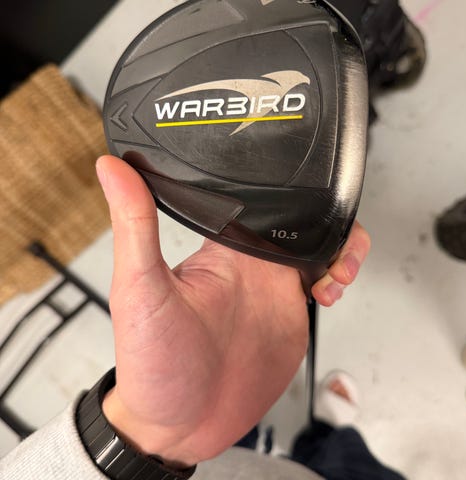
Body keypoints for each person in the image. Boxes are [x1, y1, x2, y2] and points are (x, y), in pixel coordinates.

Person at [0, 155, 395, 479]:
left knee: (239, 450)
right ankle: (326, 435)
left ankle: (291, 438)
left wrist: (150, 433)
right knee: (347, 461)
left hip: (208, 463)